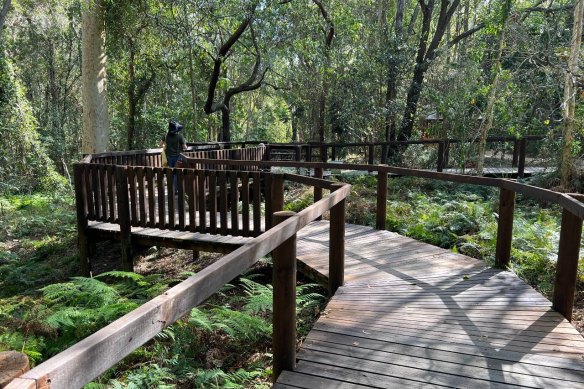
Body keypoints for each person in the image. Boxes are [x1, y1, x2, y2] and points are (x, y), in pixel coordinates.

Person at [165, 120, 186, 194]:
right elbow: (184, 147)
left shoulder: (166, 135)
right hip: (177, 157)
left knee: (171, 172)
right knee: (176, 174)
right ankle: (175, 190)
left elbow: (161, 145)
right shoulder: (180, 136)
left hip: (169, 157)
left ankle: (171, 189)